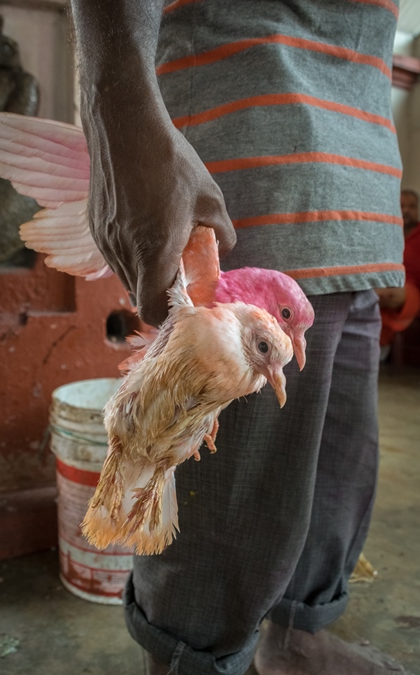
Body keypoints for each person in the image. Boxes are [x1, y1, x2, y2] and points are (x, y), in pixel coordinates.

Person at [69, 2, 406, 674]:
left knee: (338, 477)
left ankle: (293, 638)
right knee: (225, 521)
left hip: (366, 204)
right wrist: (114, 104)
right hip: (254, 167)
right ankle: (189, 660)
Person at [378, 189, 420, 351]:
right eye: (402, 206)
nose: (407, 211)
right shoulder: (386, 233)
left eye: (412, 206)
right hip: (383, 281)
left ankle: (381, 343)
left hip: (411, 289)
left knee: (387, 295)